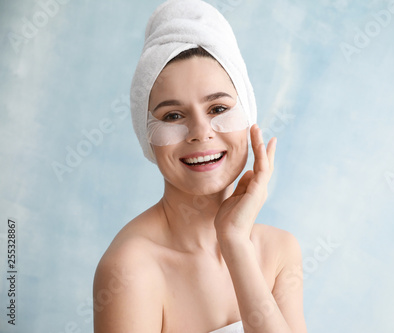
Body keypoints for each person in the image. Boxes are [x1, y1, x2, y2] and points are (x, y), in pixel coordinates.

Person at [93, 1, 307, 332]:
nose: (200, 132)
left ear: (248, 116)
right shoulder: (129, 269)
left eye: (218, 108)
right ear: (146, 136)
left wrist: (235, 242)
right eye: (173, 116)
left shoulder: (280, 251)